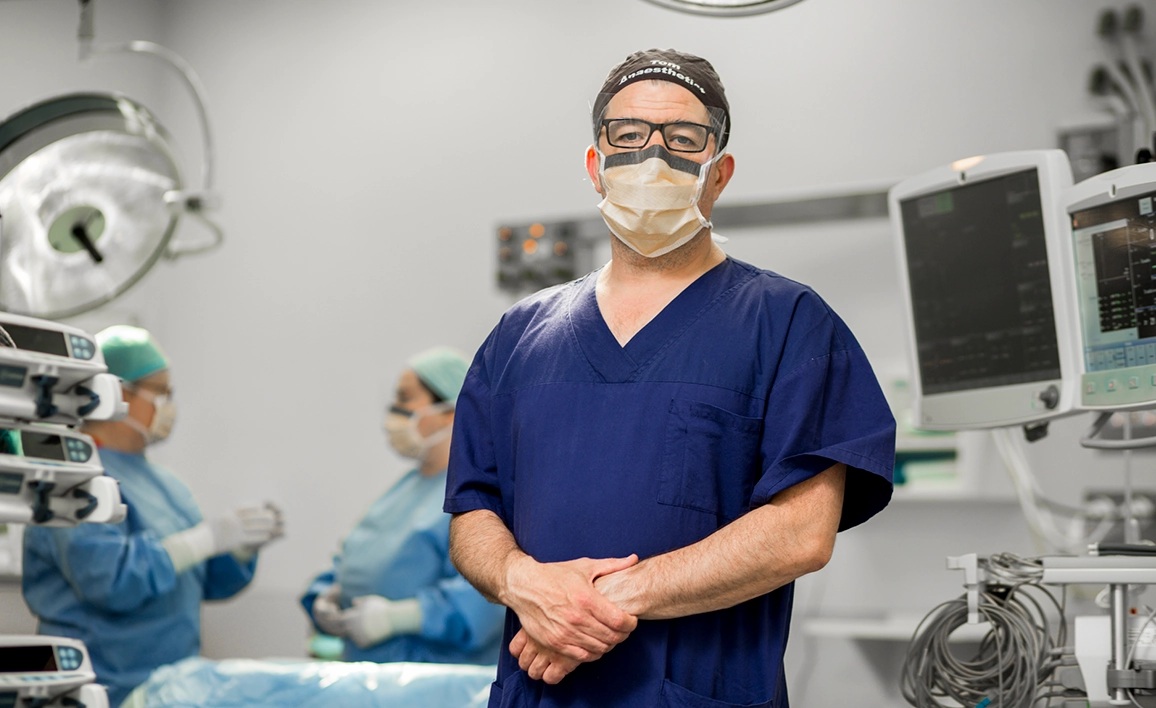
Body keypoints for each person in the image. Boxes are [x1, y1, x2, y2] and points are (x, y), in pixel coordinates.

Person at [445, 49, 897, 707]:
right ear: (595, 166)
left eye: (684, 140)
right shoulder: (519, 336)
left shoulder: (788, 323)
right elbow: (472, 510)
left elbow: (801, 533)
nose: (652, 158)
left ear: (719, 174)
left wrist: (595, 605)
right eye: (628, 136)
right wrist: (521, 582)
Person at [23, 325, 284, 707]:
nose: (169, 405)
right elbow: (110, 583)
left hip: (169, 691)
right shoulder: (68, 475)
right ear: (115, 391)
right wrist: (203, 540)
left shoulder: (167, 485)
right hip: (99, 688)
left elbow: (197, 583)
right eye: (160, 393)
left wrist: (237, 549)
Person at [301, 347, 505, 664]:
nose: (395, 411)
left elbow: (490, 596)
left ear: (453, 410)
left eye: (405, 398)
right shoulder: (405, 489)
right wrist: (325, 596)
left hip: (436, 685)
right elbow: (356, 555)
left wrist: (402, 617)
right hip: (370, 677)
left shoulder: (482, 494)